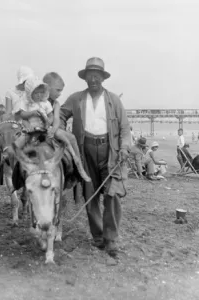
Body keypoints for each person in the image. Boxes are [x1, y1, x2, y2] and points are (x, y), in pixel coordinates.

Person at [59, 57, 131, 257]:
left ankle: (111, 240)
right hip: (85, 151)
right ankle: (98, 238)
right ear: (85, 78)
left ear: (102, 78)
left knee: (112, 195)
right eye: (90, 76)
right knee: (90, 195)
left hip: (110, 152)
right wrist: (61, 132)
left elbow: (125, 129)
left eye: (97, 76)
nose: (93, 79)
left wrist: (124, 147)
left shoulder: (114, 100)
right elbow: (61, 115)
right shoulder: (76, 99)